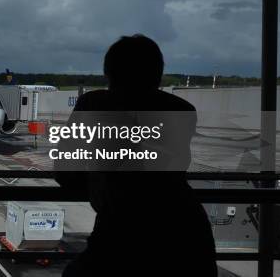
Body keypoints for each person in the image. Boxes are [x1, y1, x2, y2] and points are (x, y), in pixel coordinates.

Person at [58, 34, 217, 277]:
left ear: (108, 73)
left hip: (121, 231)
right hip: (188, 232)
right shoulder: (182, 110)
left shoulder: (94, 104)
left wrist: (98, 183)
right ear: (158, 74)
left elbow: (65, 172)